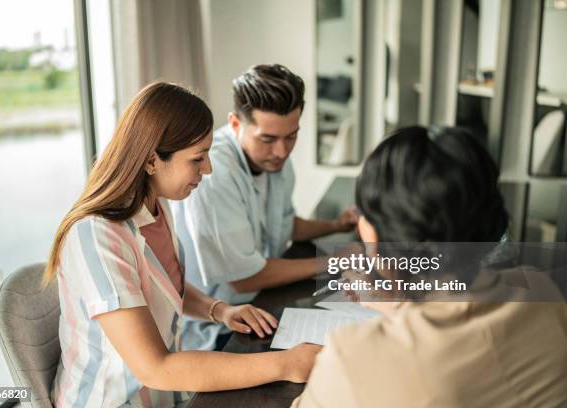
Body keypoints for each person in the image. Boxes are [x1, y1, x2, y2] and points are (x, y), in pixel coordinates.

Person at [44, 81, 320, 408]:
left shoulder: (156, 209)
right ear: (151, 161)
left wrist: (218, 310)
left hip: (164, 394)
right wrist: (288, 363)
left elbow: (159, 286)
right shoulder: (97, 236)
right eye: (198, 158)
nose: (208, 168)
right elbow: (156, 369)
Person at [292, 126, 567, 407]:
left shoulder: (351, 359)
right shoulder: (543, 293)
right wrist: (396, 302)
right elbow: (463, 318)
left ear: (373, 233)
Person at [171, 64, 358, 351]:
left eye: (291, 136)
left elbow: (282, 223)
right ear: (236, 124)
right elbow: (244, 279)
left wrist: (336, 225)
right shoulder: (215, 175)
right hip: (217, 327)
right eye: (268, 139)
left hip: (258, 303)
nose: (282, 151)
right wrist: (337, 260)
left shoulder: (275, 159)